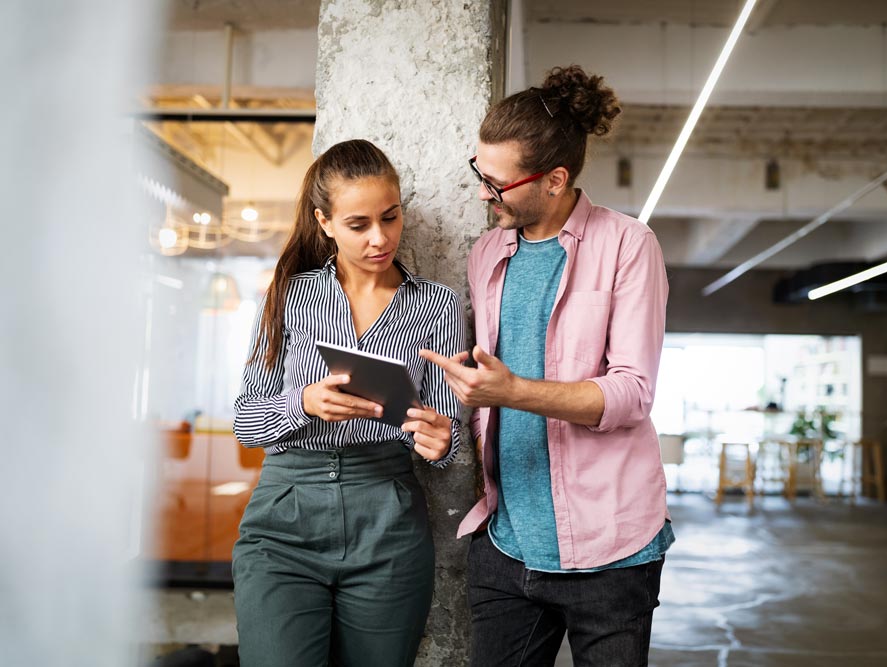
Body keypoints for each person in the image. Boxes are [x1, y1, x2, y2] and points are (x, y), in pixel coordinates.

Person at [421, 65, 673, 666]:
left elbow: (632, 394)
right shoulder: (487, 253)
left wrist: (513, 390)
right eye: (480, 173)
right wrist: (448, 426)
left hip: (612, 552)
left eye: (500, 183)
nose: (485, 193)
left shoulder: (629, 245)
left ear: (555, 179)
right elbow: (487, 389)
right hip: (505, 546)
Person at [231, 139, 464, 667]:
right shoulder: (290, 295)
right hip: (285, 515)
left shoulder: (436, 305)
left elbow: (447, 438)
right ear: (325, 223)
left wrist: (442, 441)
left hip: (387, 516)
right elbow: (246, 422)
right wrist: (303, 404)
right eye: (359, 225)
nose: (381, 239)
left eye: (391, 217)